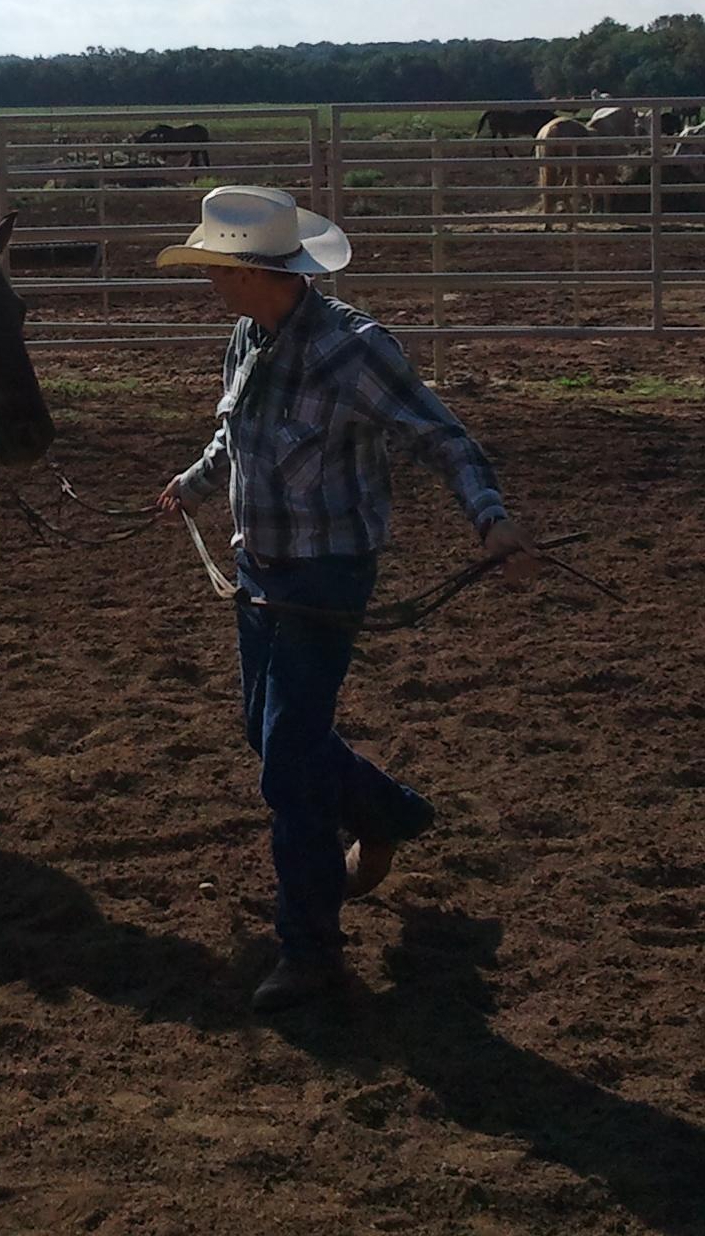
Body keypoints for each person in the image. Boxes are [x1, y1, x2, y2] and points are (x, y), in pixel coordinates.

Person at [153, 184, 537, 1012]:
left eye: (217, 267)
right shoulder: (247, 336)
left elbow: (442, 437)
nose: (210, 281)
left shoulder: (356, 350)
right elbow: (236, 432)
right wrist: (191, 484)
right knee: (265, 735)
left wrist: (491, 520)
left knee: (287, 763)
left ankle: (312, 951)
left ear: (259, 272)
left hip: (327, 576)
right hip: (260, 567)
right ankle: (385, 809)